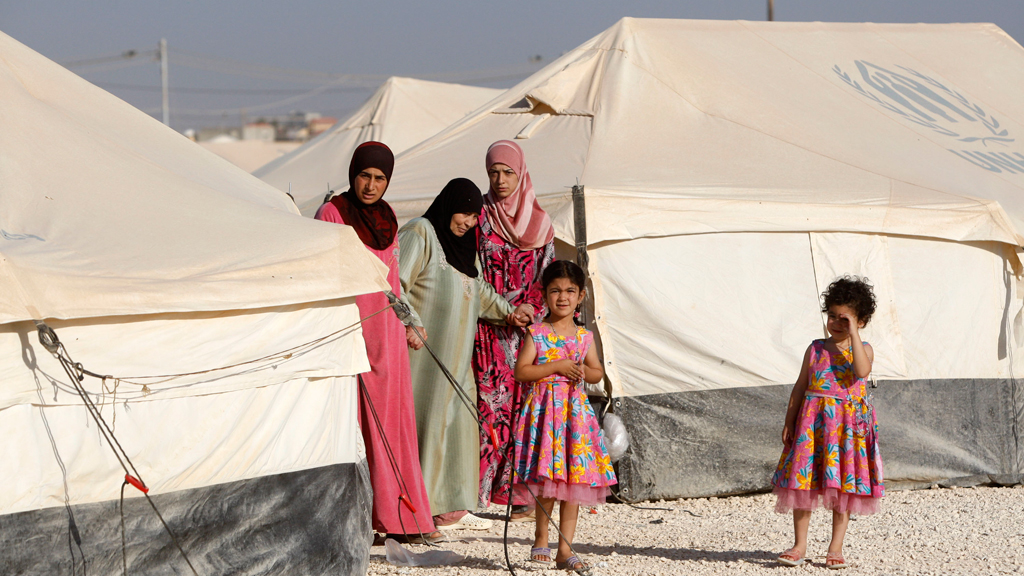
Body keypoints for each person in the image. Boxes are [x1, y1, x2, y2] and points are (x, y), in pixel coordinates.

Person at [314, 141, 440, 544]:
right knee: (352, 427)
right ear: (353, 174)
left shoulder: (387, 216)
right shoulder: (333, 213)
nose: (371, 185)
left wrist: (409, 323)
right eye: (365, 176)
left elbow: (393, 282)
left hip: (386, 333)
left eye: (380, 178)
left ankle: (401, 517)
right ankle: (358, 520)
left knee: (393, 425)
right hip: (350, 330)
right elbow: (327, 274)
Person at [398, 178, 527, 530]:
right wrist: (409, 321)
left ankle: (449, 506)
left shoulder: (465, 247)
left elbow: (479, 290)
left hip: (457, 360)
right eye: (464, 214)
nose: (469, 223)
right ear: (448, 205)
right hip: (424, 358)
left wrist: (509, 312)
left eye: (474, 216)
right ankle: (415, 511)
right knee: (427, 427)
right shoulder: (422, 232)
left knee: (457, 428)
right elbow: (393, 282)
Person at [772, 276, 884, 570]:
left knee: (843, 488)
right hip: (813, 427)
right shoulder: (815, 349)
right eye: (831, 316)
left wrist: (854, 335)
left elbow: (861, 371)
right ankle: (799, 544)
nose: (835, 323)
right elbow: (799, 387)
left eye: (844, 318)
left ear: (861, 321)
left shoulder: (863, 349)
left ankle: (835, 547)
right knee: (803, 486)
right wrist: (790, 420)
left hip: (847, 432)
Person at [512, 260, 617, 573]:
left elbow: (597, 372)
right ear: (544, 295)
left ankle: (565, 549)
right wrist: (556, 366)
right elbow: (522, 371)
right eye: (555, 291)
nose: (563, 297)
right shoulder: (538, 333)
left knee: (574, 482)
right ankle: (541, 538)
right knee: (548, 482)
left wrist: (583, 370)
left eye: (570, 291)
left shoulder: (584, 336)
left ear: (581, 295)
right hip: (545, 415)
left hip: (575, 419)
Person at [474, 139, 555, 513]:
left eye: (508, 172)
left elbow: (548, 275)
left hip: (527, 331)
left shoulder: (541, 223)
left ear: (521, 173)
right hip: (491, 328)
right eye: (494, 172)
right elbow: (470, 270)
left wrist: (529, 308)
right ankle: (481, 490)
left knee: (526, 409)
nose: (501, 179)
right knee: (491, 408)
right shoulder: (480, 218)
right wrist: (501, 308)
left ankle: (518, 490)